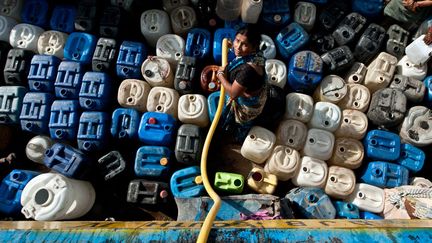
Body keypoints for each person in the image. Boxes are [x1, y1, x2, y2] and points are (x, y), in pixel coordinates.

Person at [216, 25, 267, 142]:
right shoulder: (257, 54)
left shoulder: (248, 70)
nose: (238, 47)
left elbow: (233, 94)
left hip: (248, 105)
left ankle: (239, 137)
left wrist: (220, 76)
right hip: (252, 92)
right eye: (237, 41)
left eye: (244, 44)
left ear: (253, 47)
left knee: (243, 123)